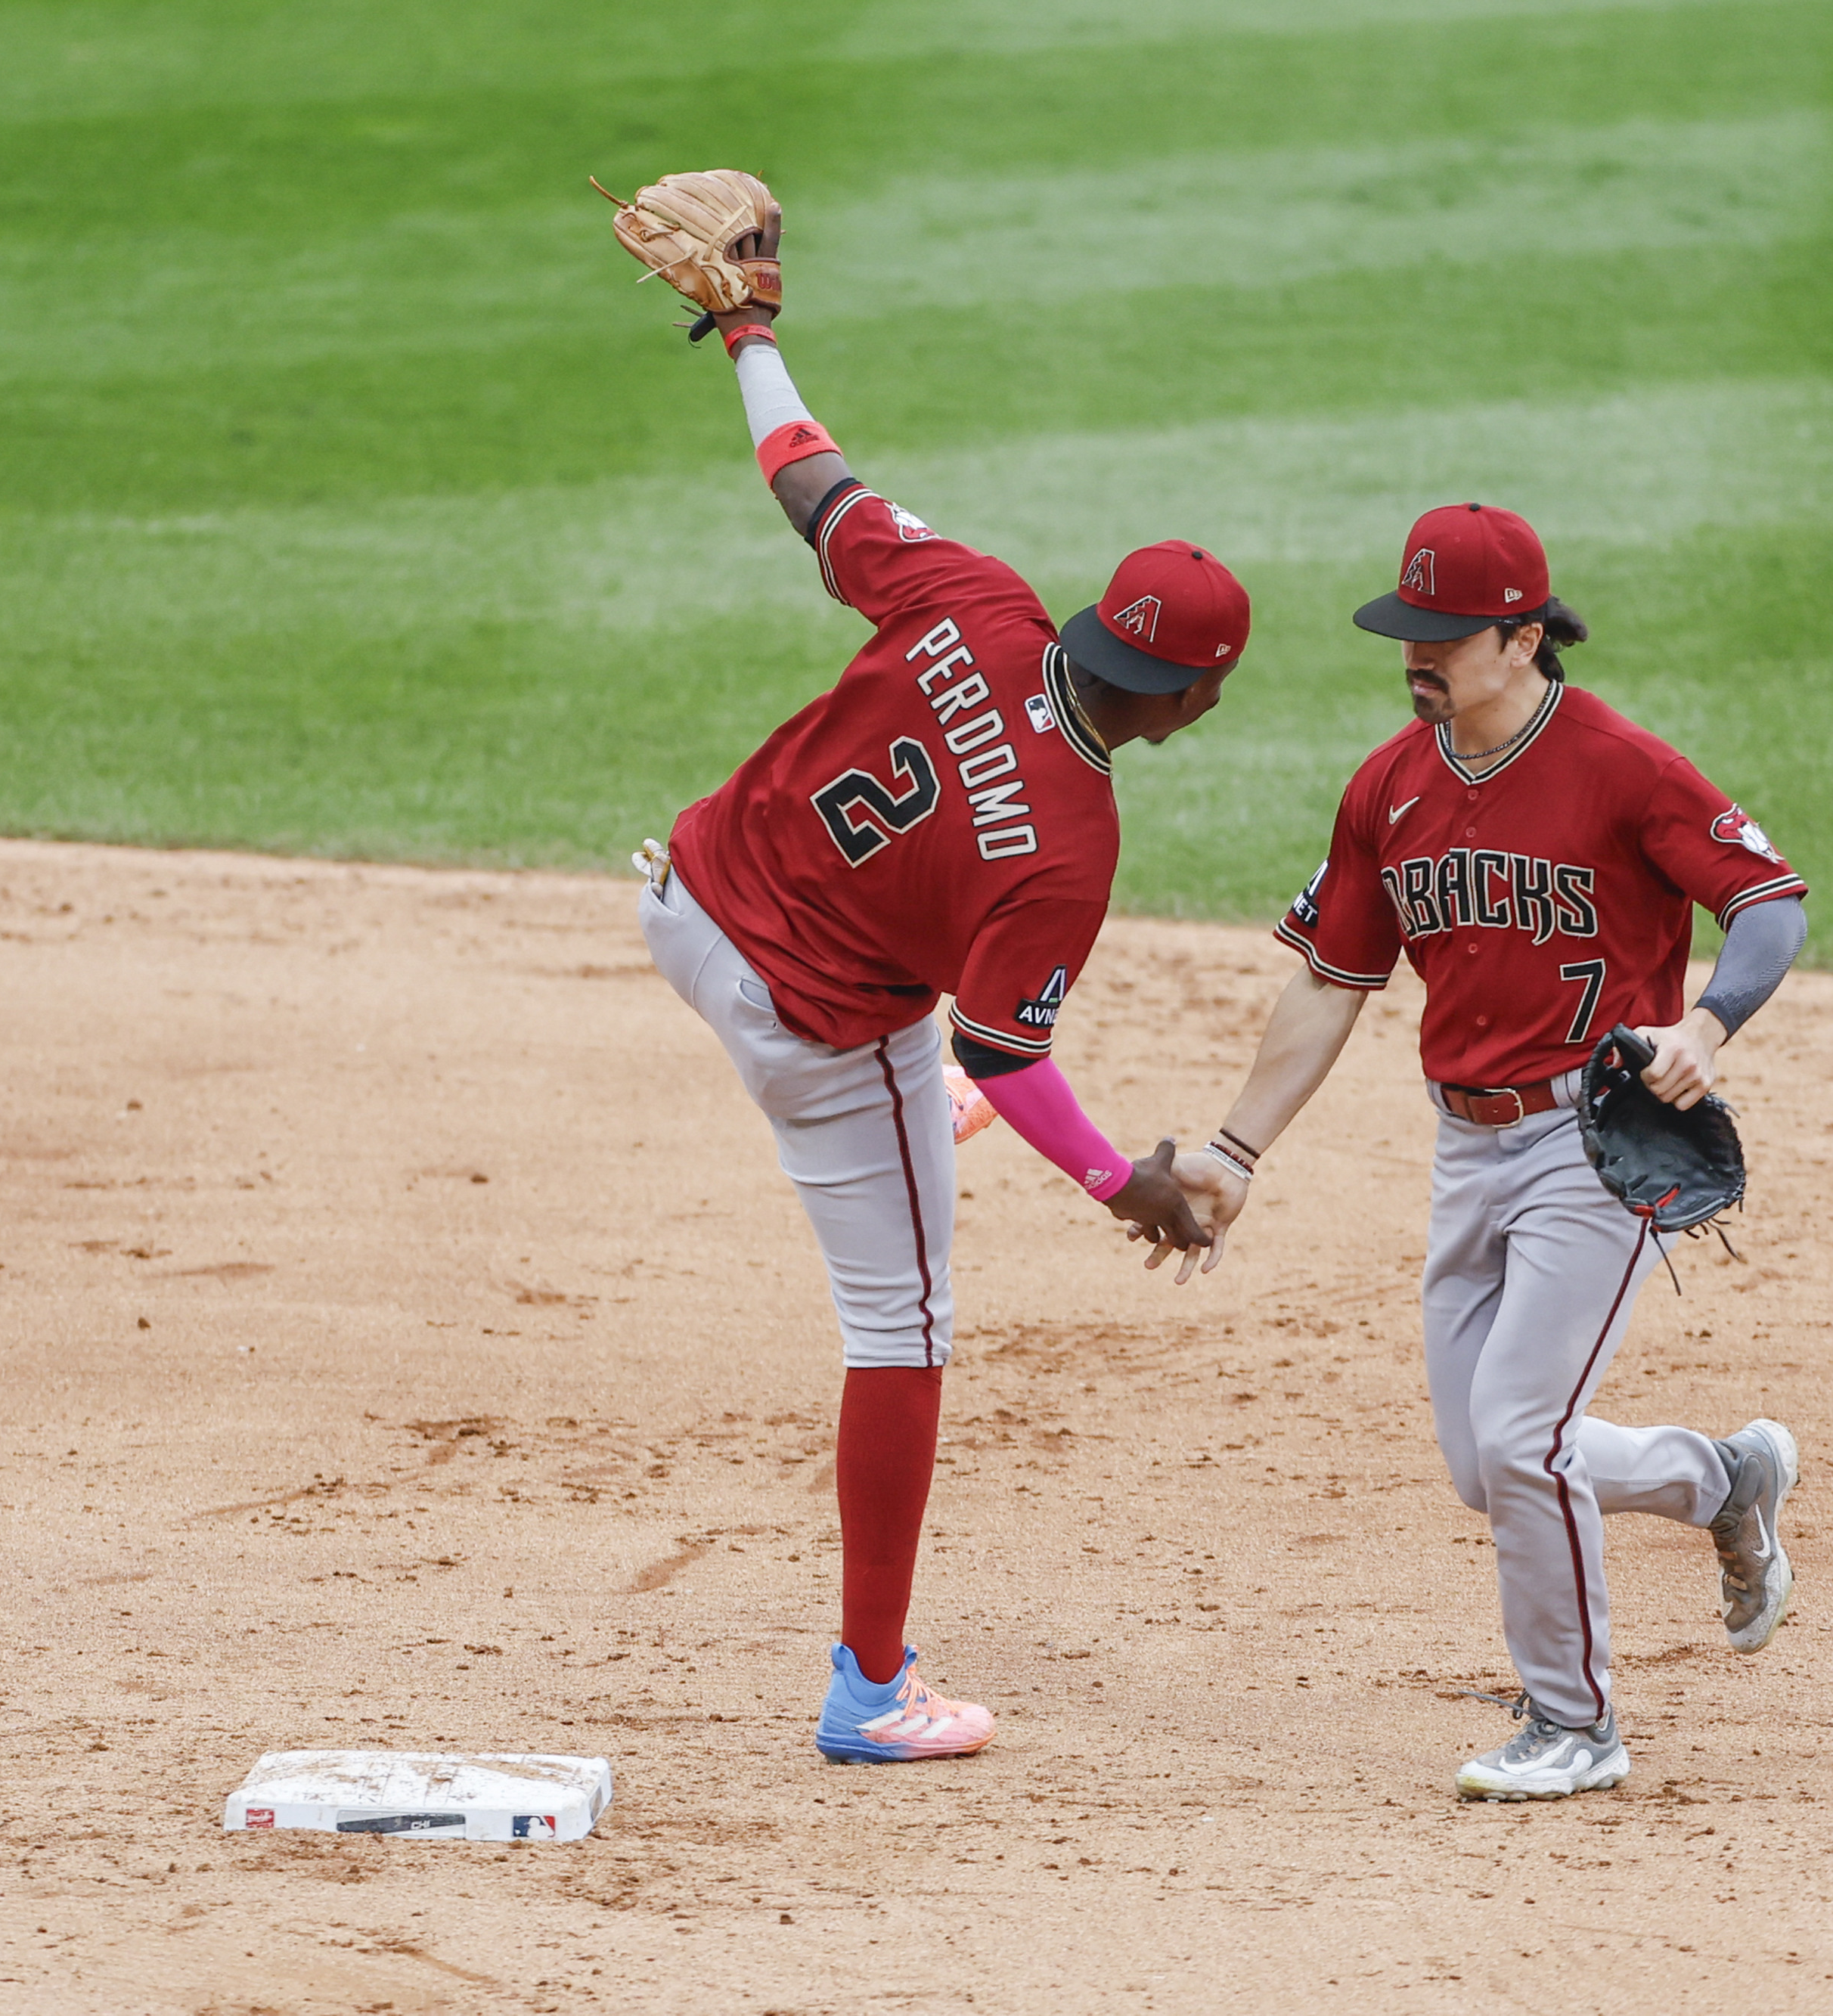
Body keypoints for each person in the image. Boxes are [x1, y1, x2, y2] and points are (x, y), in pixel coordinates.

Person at [625, 209, 1236, 1765]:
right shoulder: (1069, 850)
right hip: (805, 1027)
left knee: (926, 1032)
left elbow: (810, 486)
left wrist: (747, 332)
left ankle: (917, 1111)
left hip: (684, 894)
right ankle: (870, 1687)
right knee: (901, 1321)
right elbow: (1012, 1047)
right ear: (1183, 699)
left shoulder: (976, 597)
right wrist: (1123, 1181)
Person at [1175, 503, 1808, 1800]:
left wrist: (1706, 1021)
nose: (1415, 657)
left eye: (1442, 637)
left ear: (1522, 635)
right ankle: (1726, 1477)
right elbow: (1331, 982)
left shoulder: (1620, 765)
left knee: (1524, 1436)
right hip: (1466, 1149)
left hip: (1596, 1138)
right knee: (1491, 1465)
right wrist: (1238, 1147)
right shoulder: (1389, 786)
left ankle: (1578, 1725)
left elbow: (1767, 901)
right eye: (1406, 632)